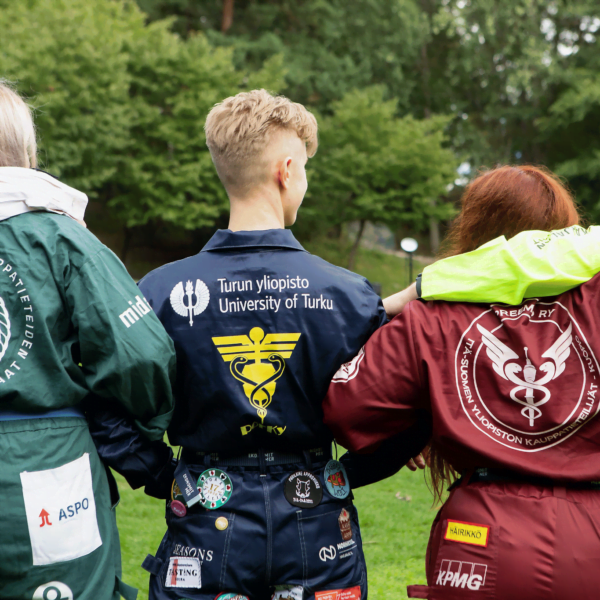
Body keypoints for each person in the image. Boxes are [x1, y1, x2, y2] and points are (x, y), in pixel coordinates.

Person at [134, 89, 429, 600]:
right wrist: (346, 474)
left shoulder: (157, 292)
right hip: (319, 523)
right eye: (306, 170)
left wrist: (162, 473)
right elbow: (411, 405)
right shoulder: (349, 295)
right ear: (287, 171)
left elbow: (106, 403)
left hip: (203, 519)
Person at [323, 165, 600, 599]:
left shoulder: (433, 310)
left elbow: (347, 406)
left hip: (483, 535)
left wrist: (423, 418)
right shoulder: (595, 300)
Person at [0, 82, 177, 600]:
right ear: (25, 149)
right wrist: (144, 427)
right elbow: (140, 353)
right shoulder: (59, 236)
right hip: (46, 471)